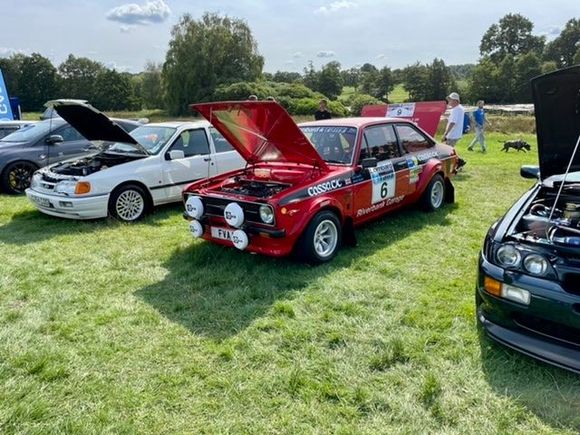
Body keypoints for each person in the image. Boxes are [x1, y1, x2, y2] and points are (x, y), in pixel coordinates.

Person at [442, 92, 466, 170]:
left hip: (452, 134)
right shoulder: (460, 108)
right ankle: (460, 162)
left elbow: (453, 122)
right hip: (456, 134)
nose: (449, 101)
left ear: (456, 101)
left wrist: (445, 134)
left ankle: (450, 167)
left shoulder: (456, 110)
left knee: (447, 152)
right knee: (450, 150)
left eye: (450, 100)